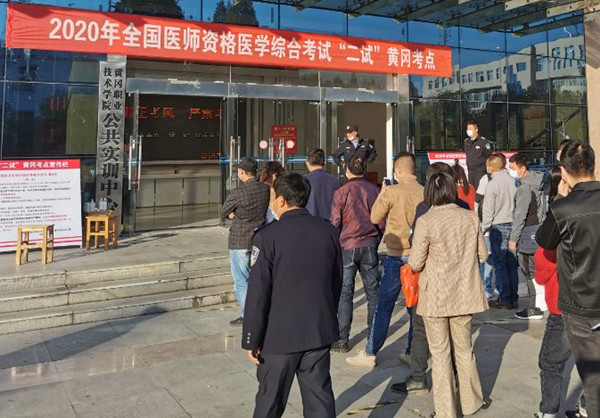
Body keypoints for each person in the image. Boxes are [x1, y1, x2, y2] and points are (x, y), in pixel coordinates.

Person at [242, 172, 342, 418]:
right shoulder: (327, 230)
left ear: (282, 200)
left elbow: (258, 293)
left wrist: (251, 338)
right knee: (319, 399)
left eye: (273, 197)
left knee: (270, 401)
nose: (271, 203)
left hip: (279, 336)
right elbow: (336, 281)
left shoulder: (267, 237)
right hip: (318, 330)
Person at [409, 171, 491, 418]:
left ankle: (446, 411)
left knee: (440, 354)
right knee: (464, 349)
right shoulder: (470, 217)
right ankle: (471, 401)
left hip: (435, 295)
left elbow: (415, 262)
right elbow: (483, 255)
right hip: (464, 293)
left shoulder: (426, 221)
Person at [391, 162, 470, 396]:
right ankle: (461, 382)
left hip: (431, 282)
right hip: (460, 283)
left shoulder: (425, 210)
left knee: (421, 330)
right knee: (458, 337)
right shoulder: (464, 208)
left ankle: (418, 378)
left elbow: (416, 252)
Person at [536, 140, 600, 418]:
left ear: (564, 172)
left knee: (594, 382)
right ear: (594, 167)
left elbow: (544, 241)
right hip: (583, 303)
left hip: (580, 304)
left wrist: (559, 201)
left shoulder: (563, 208)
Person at [345, 152, 423, 368]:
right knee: (414, 308)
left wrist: (383, 194)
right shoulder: (424, 191)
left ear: (397, 171)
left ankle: (370, 352)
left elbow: (374, 217)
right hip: (418, 256)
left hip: (396, 256)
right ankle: (411, 351)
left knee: (384, 306)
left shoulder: (392, 191)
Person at [533, 165, 577, 418]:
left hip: (563, 305)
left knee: (550, 361)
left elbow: (543, 267)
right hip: (591, 302)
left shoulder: (558, 219)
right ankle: (586, 406)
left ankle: (548, 411)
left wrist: (558, 201)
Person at [330, 155, 384, 353]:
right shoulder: (374, 190)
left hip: (348, 245)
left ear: (347, 170)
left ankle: (342, 339)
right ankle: (373, 337)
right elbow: (381, 221)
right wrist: (376, 238)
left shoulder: (341, 192)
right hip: (369, 243)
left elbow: (335, 222)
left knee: (345, 293)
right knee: (373, 292)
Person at [220, 157, 270, 326]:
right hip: (258, 238)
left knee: (241, 281)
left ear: (242, 172)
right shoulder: (265, 189)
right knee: (255, 279)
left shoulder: (238, 192)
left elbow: (223, 211)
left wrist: (233, 215)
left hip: (240, 240)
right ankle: (258, 312)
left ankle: (248, 315)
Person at [507, 154, 546, 319]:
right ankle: (539, 304)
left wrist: (513, 238)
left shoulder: (525, 188)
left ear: (523, 169)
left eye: (512, 168)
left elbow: (520, 216)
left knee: (529, 271)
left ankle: (534, 307)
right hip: (538, 230)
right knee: (536, 271)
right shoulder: (538, 182)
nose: (510, 171)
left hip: (527, 233)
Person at [482, 153, 519, 309]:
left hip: (498, 226)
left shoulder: (492, 184)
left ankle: (504, 297)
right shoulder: (514, 181)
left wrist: (483, 228)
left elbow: (488, 210)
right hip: (514, 224)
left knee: (500, 264)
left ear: (490, 168)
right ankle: (513, 297)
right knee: (511, 263)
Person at [475, 173, 498, 300]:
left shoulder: (486, 179)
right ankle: (497, 289)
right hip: (502, 225)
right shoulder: (510, 179)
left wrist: (480, 225)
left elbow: (477, 201)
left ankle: (487, 289)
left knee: (486, 259)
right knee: (498, 260)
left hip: (486, 225)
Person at [304, 148, 340, 220]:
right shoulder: (336, 181)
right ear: (324, 162)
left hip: (309, 221)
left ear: (307, 163)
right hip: (330, 222)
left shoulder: (303, 181)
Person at [464, 121, 493, 190]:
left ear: (476, 130)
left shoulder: (483, 142)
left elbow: (489, 156)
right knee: (471, 191)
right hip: (470, 171)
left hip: (480, 172)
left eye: (470, 129)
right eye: (467, 129)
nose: (468, 131)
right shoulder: (466, 141)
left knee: (480, 190)